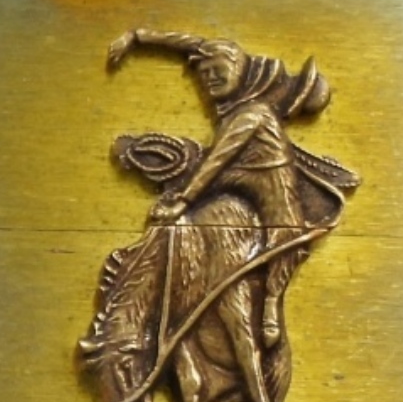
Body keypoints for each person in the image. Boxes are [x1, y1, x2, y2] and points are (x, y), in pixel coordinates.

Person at [105, 27, 334, 347]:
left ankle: (270, 303)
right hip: (235, 183)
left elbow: (217, 161)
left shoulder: (252, 115)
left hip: (269, 194)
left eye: (219, 70)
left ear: (240, 70)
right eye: (204, 73)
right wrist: (138, 37)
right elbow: (194, 44)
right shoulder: (232, 111)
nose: (210, 78)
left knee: (285, 239)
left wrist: (184, 201)